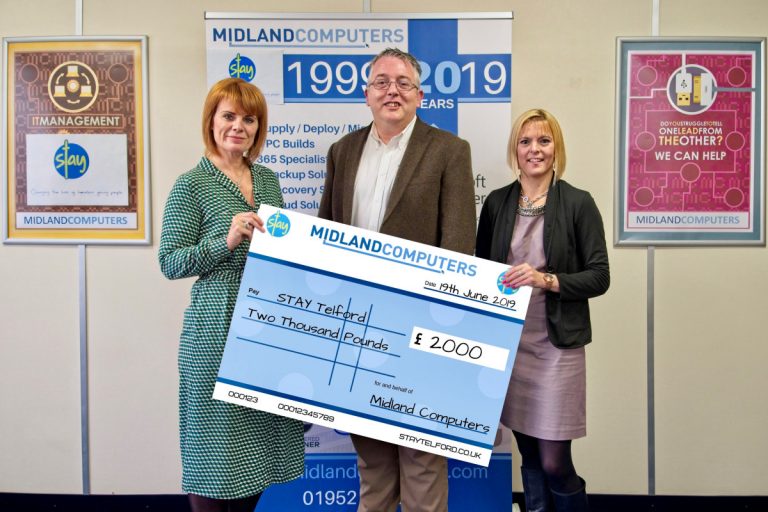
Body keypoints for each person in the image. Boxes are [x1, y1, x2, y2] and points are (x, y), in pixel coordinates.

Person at [318, 48, 476, 512]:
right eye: (382, 82)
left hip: (421, 326)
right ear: (366, 94)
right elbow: (327, 234)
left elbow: (459, 243)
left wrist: (446, 322)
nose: (393, 90)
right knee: (371, 458)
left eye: (403, 83)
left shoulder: (449, 150)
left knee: (423, 458)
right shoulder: (342, 152)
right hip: (357, 328)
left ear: (420, 95)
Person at [159, 78, 304, 512]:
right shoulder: (191, 185)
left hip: (266, 323)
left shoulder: (268, 180)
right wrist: (224, 240)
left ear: (259, 127)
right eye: (229, 116)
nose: (238, 126)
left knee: (260, 452)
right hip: (216, 326)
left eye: (249, 118)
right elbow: (170, 262)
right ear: (212, 121)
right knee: (214, 454)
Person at [475, 108, 609, 512]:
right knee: (530, 459)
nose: (535, 149)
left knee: (555, 462)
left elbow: (600, 276)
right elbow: (482, 271)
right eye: (526, 141)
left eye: (544, 141)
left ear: (557, 148)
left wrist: (546, 280)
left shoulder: (578, 203)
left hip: (556, 348)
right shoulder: (497, 203)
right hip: (511, 348)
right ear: (515, 149)